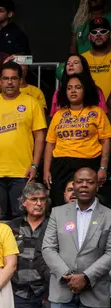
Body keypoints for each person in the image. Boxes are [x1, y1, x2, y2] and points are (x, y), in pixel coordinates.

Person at [43, 167, 111, 308]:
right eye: (79, 182)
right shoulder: (58, 213)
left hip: (94, 290)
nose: (83, 185)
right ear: (73, 185)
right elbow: (48, 247)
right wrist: (67, 275)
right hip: (62, 289)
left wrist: (86, 277)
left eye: (89, 182)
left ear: (97, 185)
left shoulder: (108, 215)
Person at [0, 61, 47, 219]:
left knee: (21, 216)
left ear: (21, 80)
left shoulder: (32, 103)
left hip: (23, 172)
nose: (9, 82)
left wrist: (35, 165)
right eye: (5, 78)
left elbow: (40, 136)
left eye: (14, 78)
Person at [44, 73, 111, 207]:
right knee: (60, 203)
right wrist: (46, 170)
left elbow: (106, 141)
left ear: (85, 90)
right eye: (69, 88)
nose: (73, 91)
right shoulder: (58, 115)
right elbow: (50, 144)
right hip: (61, 164)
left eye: (78, 87)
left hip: (89, 162)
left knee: (90, 203)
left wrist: (103, 167)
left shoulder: (97, 112)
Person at [8, 182, 50, 308]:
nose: (39, 203)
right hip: (17, 293)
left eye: (42, 199)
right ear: (24, 202)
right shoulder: (11, 227)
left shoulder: (53, 225)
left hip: (48, 294)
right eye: (34, 199)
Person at [82, 17, 111, 103]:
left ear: (110, 35)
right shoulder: (81, 59)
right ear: (89, 37)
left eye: (103, 31)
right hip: (87, 111)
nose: (98, 35)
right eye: (94, 32)